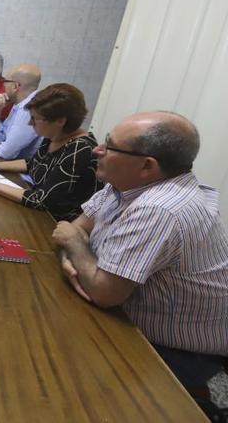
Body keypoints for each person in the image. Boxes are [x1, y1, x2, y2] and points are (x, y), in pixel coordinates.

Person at [52, 111, 228, 404]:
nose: (97, 149)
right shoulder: (123, 183)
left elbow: (103, 291)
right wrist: (75, 251)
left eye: (109, 146)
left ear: (147, 166)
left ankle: (199, 405)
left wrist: (73, 246)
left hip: (170, 347)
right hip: (123, 312)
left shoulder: (160, 208)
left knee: (67, 386)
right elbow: (78, 227)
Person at [0, 83, 101, 222]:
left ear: (60, 121)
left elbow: (41, 200)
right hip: (38, 211)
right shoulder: (55, 135)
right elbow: (33, 163)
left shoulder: (80, 150)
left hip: (55, 223)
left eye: (35, 119)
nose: (30, 124)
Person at [0, 64, 43, 160]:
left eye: (5, 81)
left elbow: (5, 153)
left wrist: (3, 144)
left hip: (25, 172)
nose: (3, 85)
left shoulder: (29, 108)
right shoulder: (19, 104)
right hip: (14, 165)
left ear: (15, 86)